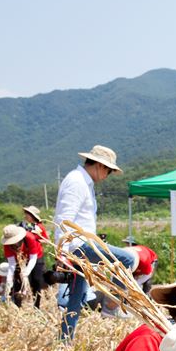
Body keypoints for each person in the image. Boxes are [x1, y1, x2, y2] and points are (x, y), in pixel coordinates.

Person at [53, 145, 136, 338]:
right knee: (127, 260)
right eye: (108, 170)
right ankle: (110, 306)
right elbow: (64, 218)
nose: (107, 175)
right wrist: (62, 252)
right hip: (79, 245)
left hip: (78, 245)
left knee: (76, 298)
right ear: (99, 165)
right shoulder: (77, 182)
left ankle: (64, 340)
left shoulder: (83, 182)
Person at [1, 224, 44, 308]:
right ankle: (17, 307)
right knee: (17, 282)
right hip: (19, 260)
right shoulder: (7, 245)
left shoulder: (29, 238)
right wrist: (9, 279)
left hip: (35, 257)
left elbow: (33, 258)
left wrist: (26, 271)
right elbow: (12, 264)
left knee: (36, 280)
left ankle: (36, 306)